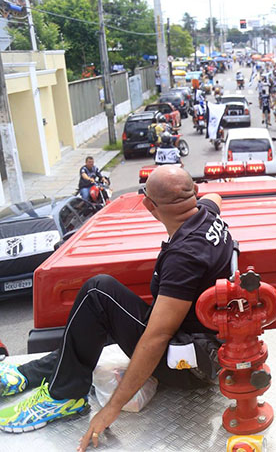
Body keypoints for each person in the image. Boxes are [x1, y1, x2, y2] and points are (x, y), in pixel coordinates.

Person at [0, 166, 235, 450]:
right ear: (194, 194)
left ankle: (64, 396)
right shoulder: (207, 215)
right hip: (203, 346)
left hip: (186, 366)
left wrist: (111, 408)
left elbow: (157, 336)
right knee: (98, 314)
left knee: (98, 291)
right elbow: (216, 196)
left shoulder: (184, 257)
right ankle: (31, 373)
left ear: (149, 205)